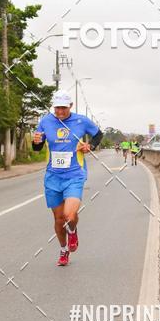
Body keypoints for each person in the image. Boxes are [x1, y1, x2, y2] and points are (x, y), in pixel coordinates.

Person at [32, 90, 103, 266]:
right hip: (53, 177)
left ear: (70, 106)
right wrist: (36, 141)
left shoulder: (81, 121)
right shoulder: (46, 121)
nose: (60, 112)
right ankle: (63, 250)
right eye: (57, 108)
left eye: (63, 108)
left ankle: (73, 231)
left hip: (74, 174)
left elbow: (99, 134)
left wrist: (90, 145)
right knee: (58, 219)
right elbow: (37, 148)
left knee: (69, 215)